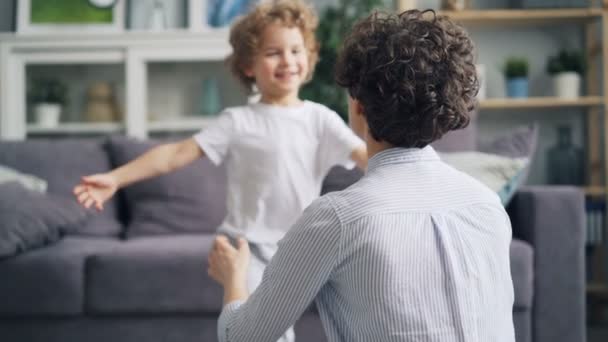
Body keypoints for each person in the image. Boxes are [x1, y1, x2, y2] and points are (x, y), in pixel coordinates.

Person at [207, 9, 515, 342]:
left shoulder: (336, 218)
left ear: (357, 107)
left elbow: (243, 337)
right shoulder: (487, 204)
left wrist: (234, 277)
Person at [73, 1, 366, 342]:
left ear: (310, 56)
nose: (287, 61)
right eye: (273, 52)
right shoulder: (237, 121)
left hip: (297, 246)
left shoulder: (321, 119)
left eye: (295, 50)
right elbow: (175, 154)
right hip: (245, 246)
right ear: (247, 66)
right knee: (263, 331)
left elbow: (365, 156)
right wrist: (115, 177)